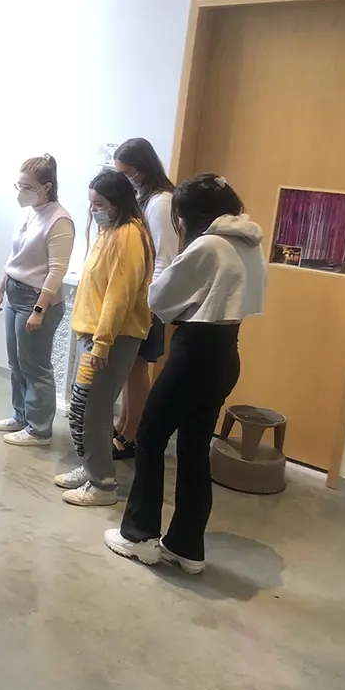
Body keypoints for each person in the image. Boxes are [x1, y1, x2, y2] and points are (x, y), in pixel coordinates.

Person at [105, 175, 267, 573]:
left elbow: (160, 297)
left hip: (195, 350)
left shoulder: (208, 245)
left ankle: (139, 536)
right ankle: (186, 547)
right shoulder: (250, 243)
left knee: (149, 438)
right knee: (195, 449)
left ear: (189, 214)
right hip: (227, 352)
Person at [56, 170, 153, 507]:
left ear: (118, 203)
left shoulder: (128, 235)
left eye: (99, 204)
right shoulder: (110, 229)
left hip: (110, 340)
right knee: (82, 409)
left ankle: (103, 484)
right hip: (95, 336)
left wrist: (102, 343)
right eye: (91, 203)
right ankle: (91, 468)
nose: (93, 210)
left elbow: (119, 295)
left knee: (92, 412)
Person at [0, 154, 74, 447]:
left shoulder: (59, 220)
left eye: (26, 187)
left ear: (46, 187)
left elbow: (56, 271)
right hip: (15, 292)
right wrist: (1, 289)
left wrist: (39, 310)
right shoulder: (27, 213)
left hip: (37, 299)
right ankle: (21, 415)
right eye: (18, 185)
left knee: (34, 365)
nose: (20, 192)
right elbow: (15, 257)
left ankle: (39, 428)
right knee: (16, 361)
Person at [111, 138, 179, 459]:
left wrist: (150, 304)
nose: (122, 178)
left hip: (149, 301)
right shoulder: (144, 197)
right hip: (139, 298)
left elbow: (164, 258)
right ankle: (124, 423)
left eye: (125, 173)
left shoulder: (161, 203)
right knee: (128, 368)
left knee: (137, 369)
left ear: (140, 169)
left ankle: (133, 434)